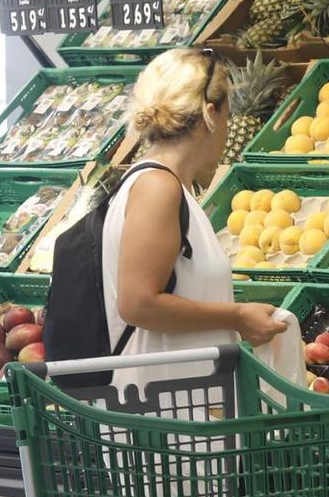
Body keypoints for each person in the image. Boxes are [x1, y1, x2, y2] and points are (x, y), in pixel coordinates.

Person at [103, 47, 285, 389]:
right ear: (211, 114)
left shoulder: (167, 186)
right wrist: (236, 317)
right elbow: (138, 303)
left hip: (185, 403)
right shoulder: (157, 188)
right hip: (165, 408)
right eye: (228, 117)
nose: (228, 130)